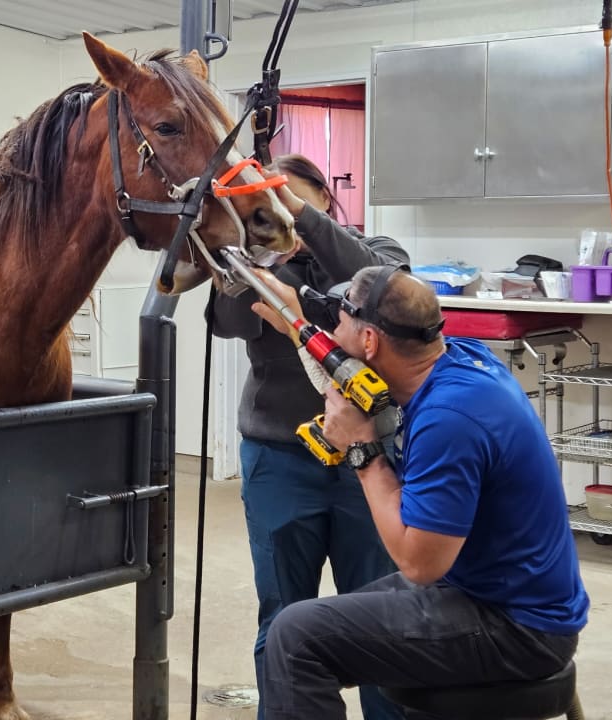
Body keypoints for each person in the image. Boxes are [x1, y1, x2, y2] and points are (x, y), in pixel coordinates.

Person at [249, 265, 589, 720]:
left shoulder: (450, 418)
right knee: (324, 622)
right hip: (495, 591)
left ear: (370, 341)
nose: (334, 328)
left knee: (296, 637)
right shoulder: (459, 361)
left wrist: (362, 451)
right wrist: (296, 323)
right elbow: (344, 374)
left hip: (518, 627)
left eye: (342, 318)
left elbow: (420, 564)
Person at [209, 154, 409, 720]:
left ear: (324, 196)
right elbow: (229, 322)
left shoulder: (379, 254)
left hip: (369, 465)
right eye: (265, 208)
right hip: (279, 460)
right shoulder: (258, 268)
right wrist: (247, 263)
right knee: (282, 617)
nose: (278, 216)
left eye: (290, 200)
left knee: (382, 614)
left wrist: (303, 226)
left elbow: (385, 294)